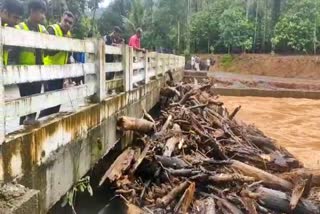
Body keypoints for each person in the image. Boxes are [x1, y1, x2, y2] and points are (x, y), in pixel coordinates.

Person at [9, 0, 48, 125]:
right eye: (41, 12)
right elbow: (12, 52)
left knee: (35, 103)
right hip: (24, 74)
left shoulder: (42, 30)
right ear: (32, 11)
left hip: (38, 73)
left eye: (44, 13)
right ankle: (22, 128)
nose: (43, 16)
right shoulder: (20, 27)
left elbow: (50, 46)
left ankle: (30, 127)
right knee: (25, 105)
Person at [40, 11, 75, 118]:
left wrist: (68, 75)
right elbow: (46, 50)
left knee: (57, 102)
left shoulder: (68, 35)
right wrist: (61, 44)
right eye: (65, 21)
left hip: (60, 72)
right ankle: (41, 122)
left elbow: (68, 54)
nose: (67, 24)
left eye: (70, 23)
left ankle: (51, 124)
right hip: (49, 71)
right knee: (50, 101)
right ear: (61, 19)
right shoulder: (52, 30)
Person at [0, 0, 23, 65]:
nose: (17, 22)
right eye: (15, 17)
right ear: (5, 12)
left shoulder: (5, 28)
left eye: (19, 18)